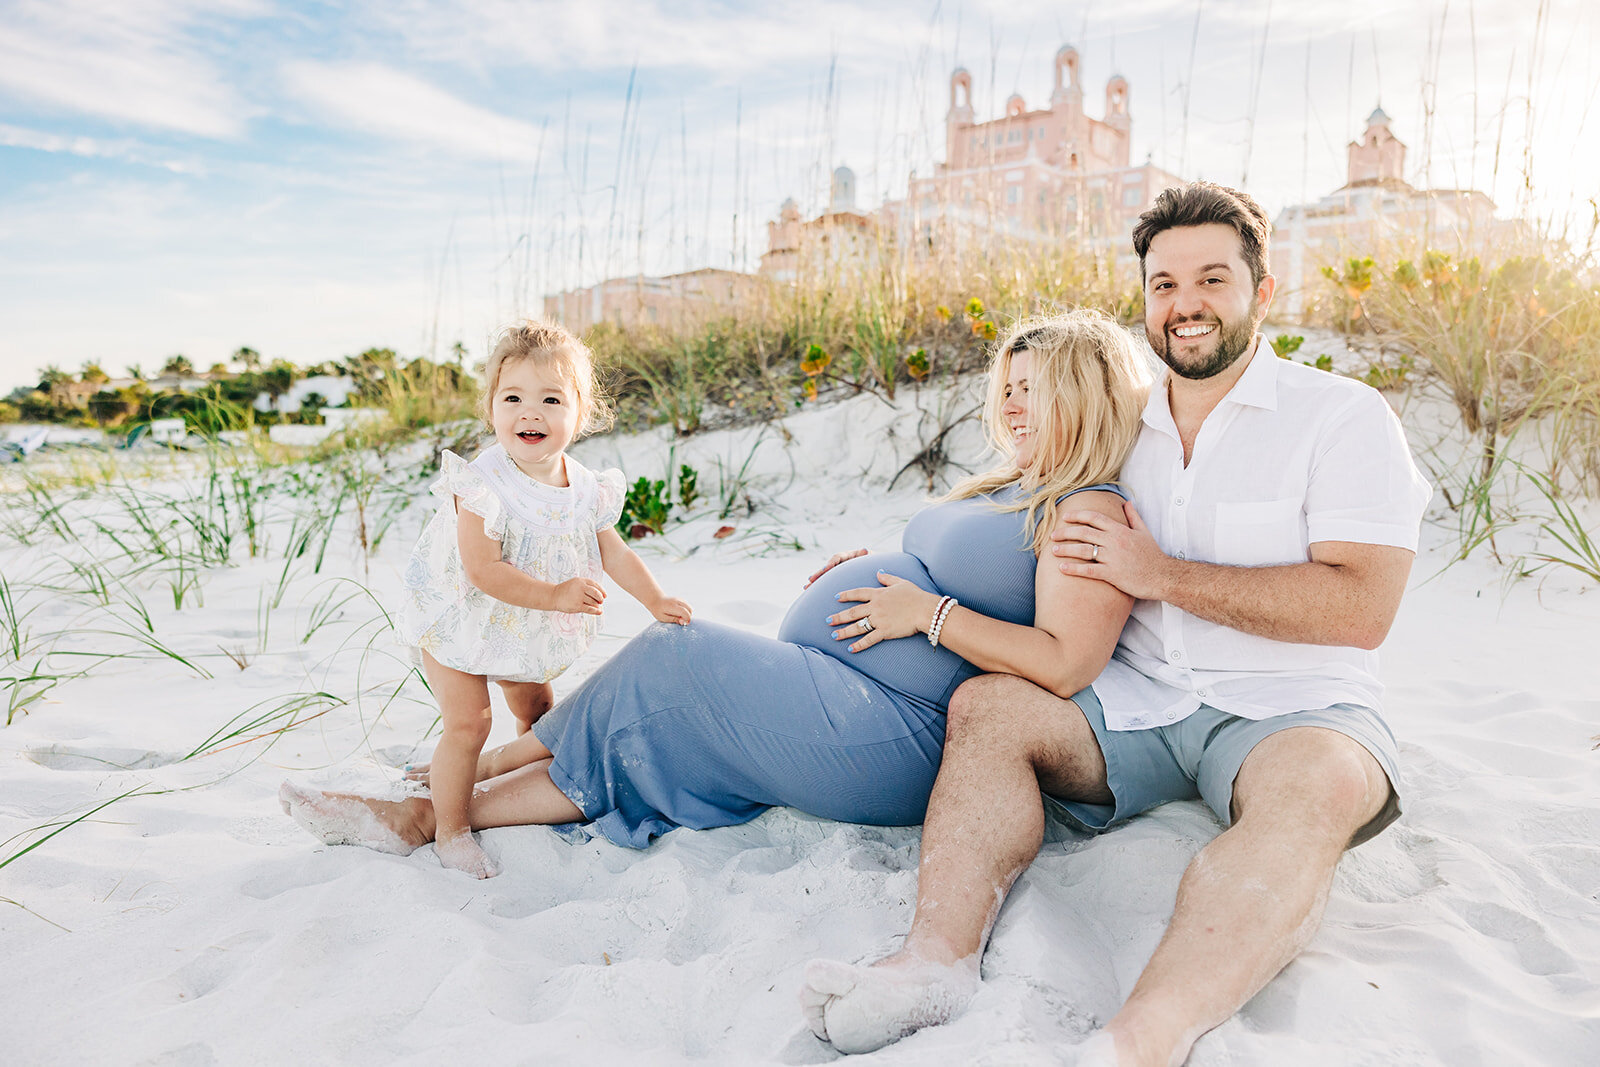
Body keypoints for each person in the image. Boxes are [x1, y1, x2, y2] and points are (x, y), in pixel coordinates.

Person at [799, 182, 1432, 1066]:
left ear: (1263, 290)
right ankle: (931, 964)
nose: (1187, 305)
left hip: (1292, 707)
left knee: (1318, 789)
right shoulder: (1118, 423)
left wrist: (1163, 575)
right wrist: (888, 566)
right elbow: (1011, 502)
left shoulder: (1342, 417)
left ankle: (1140, 1039)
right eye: (1164, 285)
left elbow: (1363, 608)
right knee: (990, 707)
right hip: (1132, 705)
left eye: (1212, 279)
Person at [279, 310, 1148, 866]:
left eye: (1037, 390)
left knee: (673, 662)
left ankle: (436, 813)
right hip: (854, 692)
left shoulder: (1088, 506)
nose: (1016, 406)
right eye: (1010, 388)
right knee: (666, 694)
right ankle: (475, 775)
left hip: (902, 737)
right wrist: (878, 564)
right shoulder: (1017, 484)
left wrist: (927, 610)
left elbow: (1065, 662)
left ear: (1088, 391)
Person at [283, 320, 692, 879]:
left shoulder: (586, 487)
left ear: (581, 409)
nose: (530, 413)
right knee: (469, 724)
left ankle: (512, 789)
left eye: (551, 399)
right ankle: (450, 829)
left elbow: (615, 552)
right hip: (461, 621)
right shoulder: (482, 483)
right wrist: (556, 594)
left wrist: (655, 599)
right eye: (513, 398)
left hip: (524, 626)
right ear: (492, 406)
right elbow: (482, 571)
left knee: (538, 711)